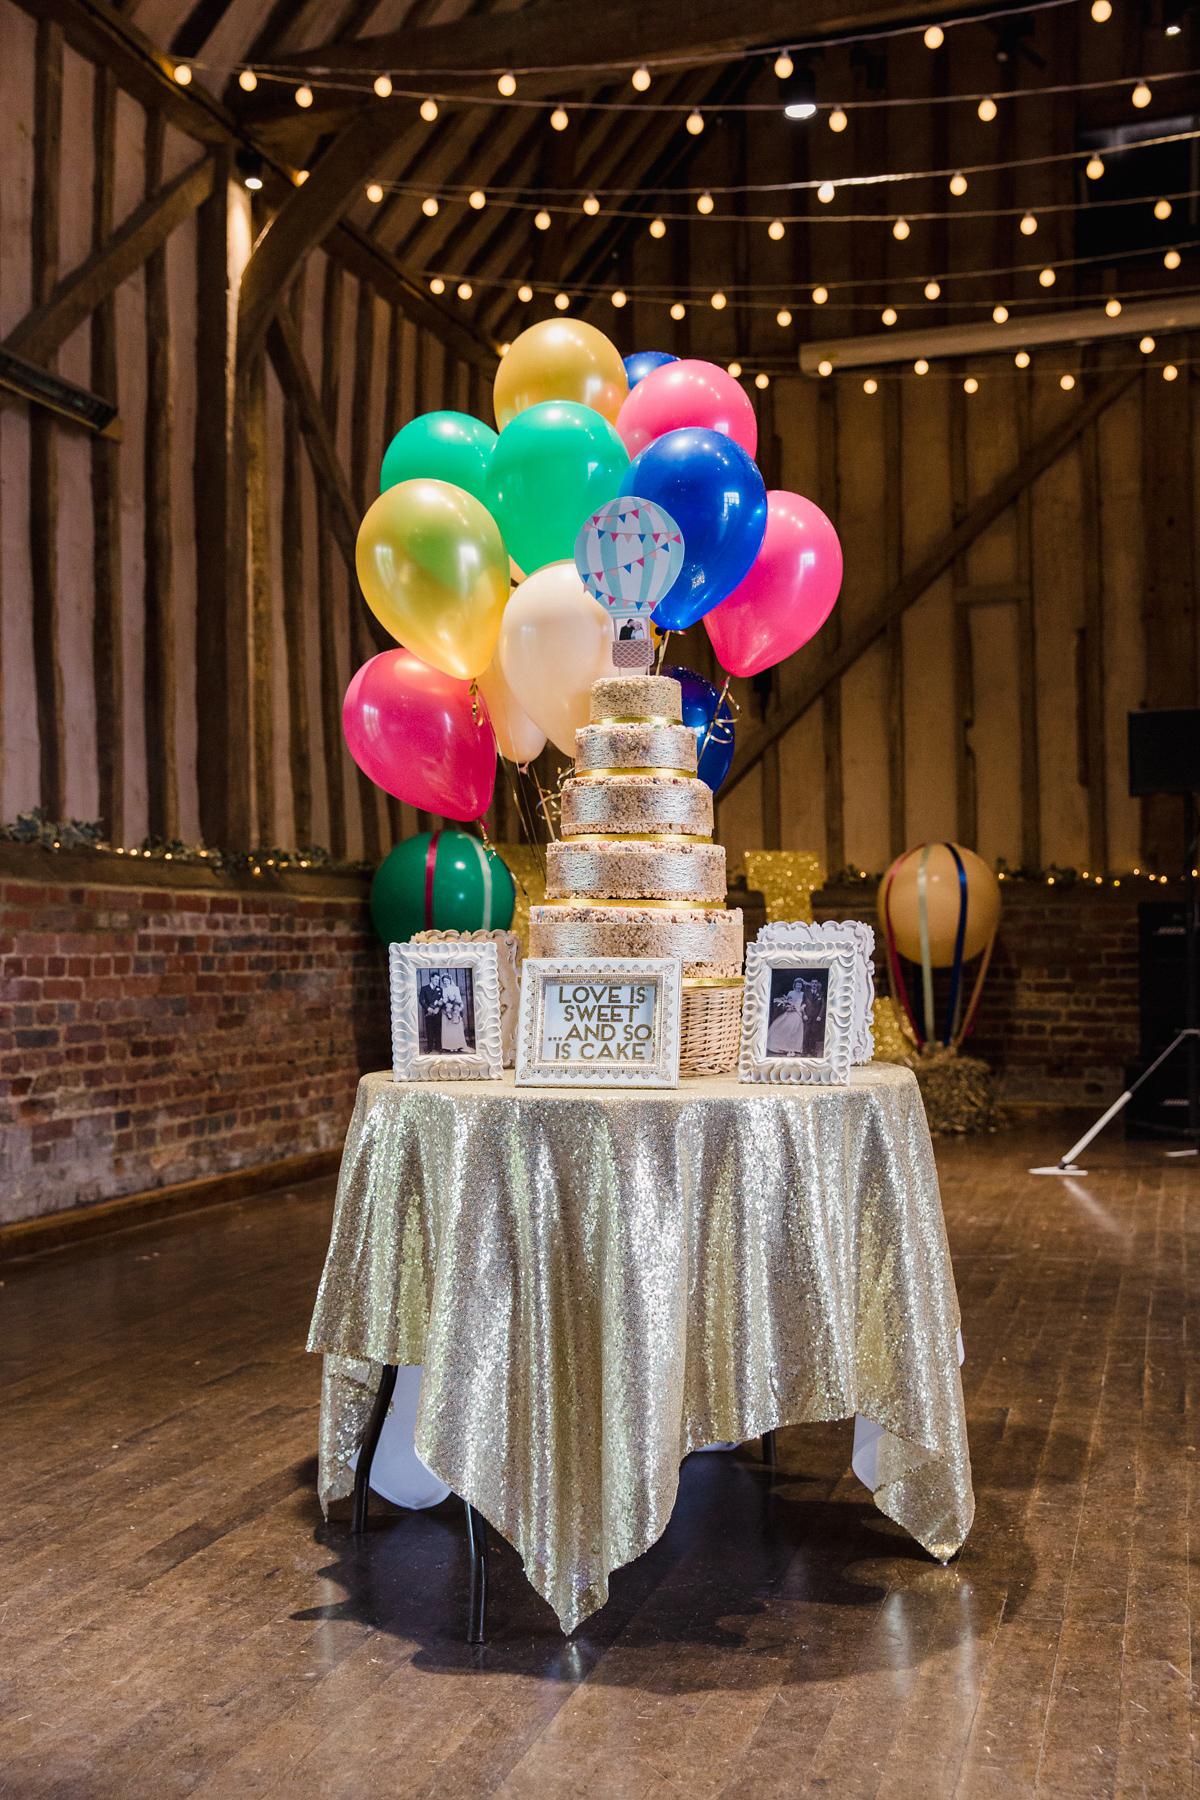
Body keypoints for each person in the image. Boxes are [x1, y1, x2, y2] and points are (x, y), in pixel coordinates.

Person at [766, 979, 809, 1056]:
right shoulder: (791, 992)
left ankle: (793, 1048)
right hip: (790, 1011)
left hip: (798, 1012)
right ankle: (785, 1047)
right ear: (795, 985)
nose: (798, 986)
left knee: (796, 1030)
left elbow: (804, 1003)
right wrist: (788, 1006)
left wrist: (802, 1007)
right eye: (797, 985)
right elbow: (787, 1001)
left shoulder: (803, 994)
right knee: (785, 1027)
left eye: (800, 985)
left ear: (802, 986)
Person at [439, 974, 468, 1052]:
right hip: (445, 1011)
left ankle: (458, 1045)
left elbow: (458, 999)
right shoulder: (442, 989)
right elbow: (442, 999)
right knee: (447, 1028)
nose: (446, 982)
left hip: (454, 1010)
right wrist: (444, 1003)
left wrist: (458, 1007)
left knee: (455, 1028)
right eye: (444, 981)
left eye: (447, 980)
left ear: (450, 980)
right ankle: (448, 1046)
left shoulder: (455, 988)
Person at [418, 976, 444, 1053]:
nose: (437, 981)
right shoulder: (424, 988)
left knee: (438, 1029)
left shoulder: (440, 989)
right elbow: (421, 1000)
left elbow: (441, 1000)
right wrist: (428, 1008)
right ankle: (429, 1047)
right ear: (431, 979)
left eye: (438, 980)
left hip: (437, 1012)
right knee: (430, 1030)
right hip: (428, 1012)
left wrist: (438, 1008)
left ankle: (438, 1047)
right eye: (436, 979)